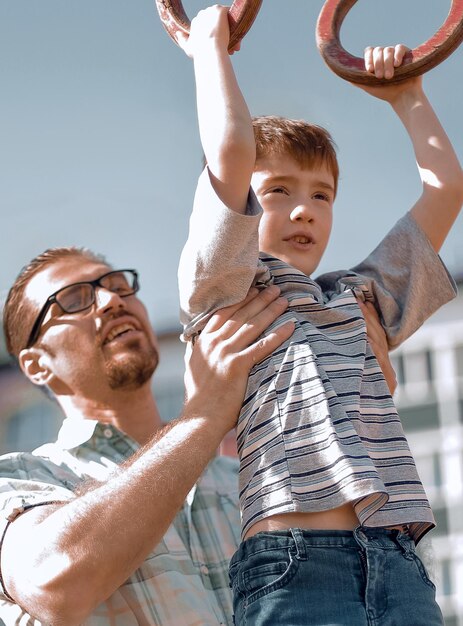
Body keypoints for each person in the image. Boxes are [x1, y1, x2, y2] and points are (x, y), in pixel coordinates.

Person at [177, 5, 463, 625]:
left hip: (396, 557)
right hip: (293, 561)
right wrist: (210, 47)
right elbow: (230, 153)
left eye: (321, 195)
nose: (304, 210)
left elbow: (444, 189)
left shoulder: (360, 299)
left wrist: (408, 95)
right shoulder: (227, 290)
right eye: (277, 190)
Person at [0, 247, 297, 625]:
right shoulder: (20, 482)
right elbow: (55, 583)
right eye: (74, 299)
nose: (111, 300)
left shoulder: (247, 483)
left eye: (120, 286)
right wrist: (204, 415)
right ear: (37, 364)